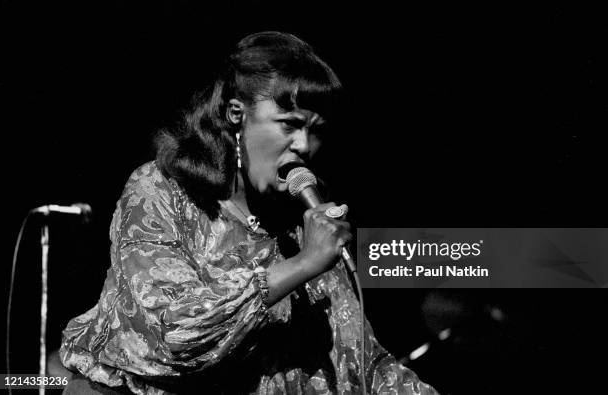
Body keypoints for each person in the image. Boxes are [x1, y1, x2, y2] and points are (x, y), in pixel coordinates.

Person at [59, 31, 438, 394]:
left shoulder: (303, 220)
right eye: (289, 124)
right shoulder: (160, 189)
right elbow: (171, 334)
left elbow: (358, 361)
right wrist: (302, 265)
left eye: (316, 130)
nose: (304, 144)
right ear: (236, 115)